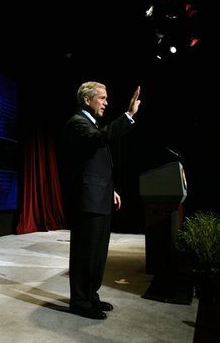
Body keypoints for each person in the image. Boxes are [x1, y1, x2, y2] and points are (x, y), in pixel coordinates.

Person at [60, 81, 141, 320]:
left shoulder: (93, 124)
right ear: (87, 99)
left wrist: (111, 189)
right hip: (87, 199)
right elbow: (100, 140)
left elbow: (97, 164)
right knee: (85, 253)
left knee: (97, 253)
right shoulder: (77, 123)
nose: (106, 103)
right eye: (102, 98)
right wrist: (128, 115)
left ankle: (91, 296)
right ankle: (80, 301)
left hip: (100, 196)